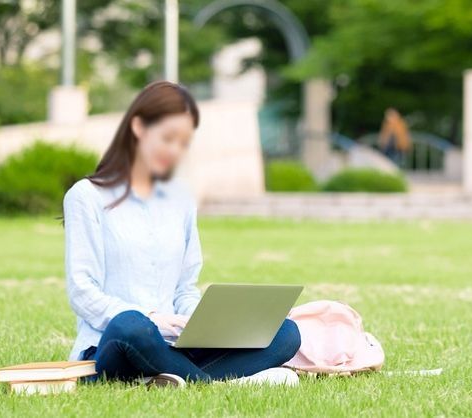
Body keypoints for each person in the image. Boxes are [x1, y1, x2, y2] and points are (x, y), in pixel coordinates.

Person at [63, 81, 301, 387]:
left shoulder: (181, 199)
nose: (175, 150)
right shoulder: (87, 196)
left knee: (286, 332)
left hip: (175, 343)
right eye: (168, 138)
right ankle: (217, 384)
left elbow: (185, 289)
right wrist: (151, 317)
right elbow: (83, 291)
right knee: (132, 325)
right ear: (138, 127)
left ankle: (169, 378)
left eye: (183, 142)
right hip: (116, 341)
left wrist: (200, 322)